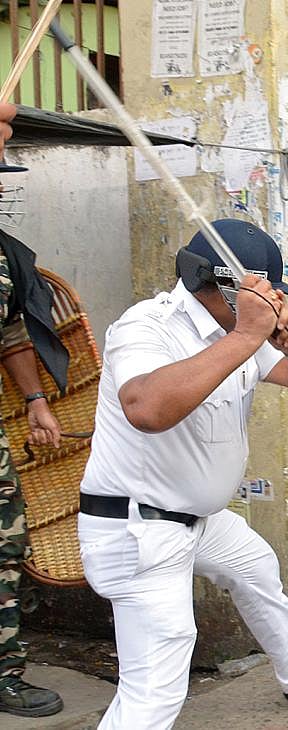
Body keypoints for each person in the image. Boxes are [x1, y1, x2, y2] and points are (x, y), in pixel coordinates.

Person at [77, 220, 288, 727]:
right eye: (268, 293)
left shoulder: (238, 333)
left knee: (253, 565)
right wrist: (250, 333)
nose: (274, 304)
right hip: (140, 528)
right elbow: (146, 407)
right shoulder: (147, 326)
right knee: (157, 686)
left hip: (197, 519)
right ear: (230, 289)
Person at [0, 184, 68, 718]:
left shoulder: (4, 254)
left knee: (6, 544)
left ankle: (5, 675)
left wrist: (36, 400)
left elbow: (11, 335)